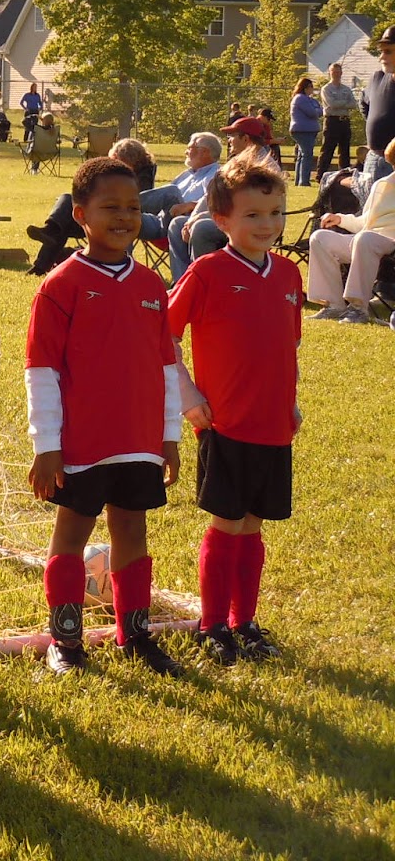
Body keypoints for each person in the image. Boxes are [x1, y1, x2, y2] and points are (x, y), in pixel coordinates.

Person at [26, 157, 183, 678]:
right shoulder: (61, 285)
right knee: (72, 533)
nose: (124, 216)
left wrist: (169, 436)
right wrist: (47, 445)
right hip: (81, 442)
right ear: (80, 215)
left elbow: (166, 366)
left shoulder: (151, 286)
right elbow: (41, 370)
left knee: (132, 531)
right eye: (110, 207)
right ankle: (65, 640)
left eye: (133, 207)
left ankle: (134, 635)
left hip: (138, 439)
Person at [168, 155, 298, 666]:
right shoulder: (208, 272)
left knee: (254, 526)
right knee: (228, 525)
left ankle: (244, 621)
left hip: (274, 426)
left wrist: (289, 402)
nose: (267, 224)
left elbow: (286, 346)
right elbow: (163, 338)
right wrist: (187, 396)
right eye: (253, 215)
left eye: (275, 213)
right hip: (225, 424)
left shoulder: (287, 273)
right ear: (221, 220)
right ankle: (212, 625)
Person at [27, 135, 204, 275]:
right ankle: (46, 250)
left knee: (165, 194)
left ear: (127, 158)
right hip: (108, 216)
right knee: (66, 206)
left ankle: (64, 248)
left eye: (115, 160)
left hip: (150, 220)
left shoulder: (140, 175)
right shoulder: (185, 174)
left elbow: (135, 204)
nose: (111, 165)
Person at [169, 118, 280, 279]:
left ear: (245, 139)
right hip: (232, 218)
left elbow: (245, 207)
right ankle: (183, 281)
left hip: (254, 221)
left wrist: (199, 219)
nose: (229, 141)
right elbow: (211, 195)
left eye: (232, 136)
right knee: (178, 223)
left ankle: (205, 281)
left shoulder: (263, 167)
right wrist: (192, 218)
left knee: (201, 228)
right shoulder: (236, 162)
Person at [306, 137, 395, 324]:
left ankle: (357, 308)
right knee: (320, 238)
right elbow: (366, 221)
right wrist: (340, 219)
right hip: (368, 238)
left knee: (365, 239)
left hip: (388, 241)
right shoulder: (382, 185)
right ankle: (333, 305)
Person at [363, 26, 395, 179]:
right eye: (381, 51)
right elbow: (364, 104)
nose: (382, 57)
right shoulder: (378, 78)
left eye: (388, 51)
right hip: (374, 160)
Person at [318, 61, 357, 177]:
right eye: (333, 72)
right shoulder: (326, 89)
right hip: (332, 121)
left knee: (344, 150)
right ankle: (321, 175)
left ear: (341, 73)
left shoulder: (346, 89)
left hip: (344, 121)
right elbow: (332, 104)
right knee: (328, 149)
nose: (336, 74)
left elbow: (353, 104)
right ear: (330, 73)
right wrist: (345, 103)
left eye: (338, 72)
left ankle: (344, 175)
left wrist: (340, 104)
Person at [288, 77, 322, 188]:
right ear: (305, 87)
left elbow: (320, 109)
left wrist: (318, 110)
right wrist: (317, 110)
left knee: (301, 155)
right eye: (311, 87)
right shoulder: (300, 98)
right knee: (307, 155)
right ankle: (304, 181)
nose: (312, 89)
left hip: (308, 130)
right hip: (303, 130)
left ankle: (299, 180)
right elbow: (313, 112)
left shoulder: (309, 99)